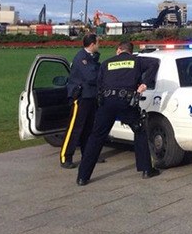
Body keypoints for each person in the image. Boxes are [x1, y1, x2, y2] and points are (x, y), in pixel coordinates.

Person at [76, 41, 159, 186]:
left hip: (107, 103)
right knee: (139, 130)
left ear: (118, 50)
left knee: (96, 137)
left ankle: (82, 177)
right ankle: (146, 170)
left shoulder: (106, 63)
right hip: (126, 102)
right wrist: (144, 83)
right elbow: (155, 64)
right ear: (130, 52)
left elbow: (99, 84)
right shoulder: (136, 61)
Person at [60, 33, 100, 169]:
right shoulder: (81, 58)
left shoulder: (91, 57)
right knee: (75, 128)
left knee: (89, 128)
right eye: (98, 42)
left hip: (91, 96)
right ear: (92, 44)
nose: (99, 45)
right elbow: (91, 76)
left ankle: (88, 155)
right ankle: (66, 156)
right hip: (81, 97)